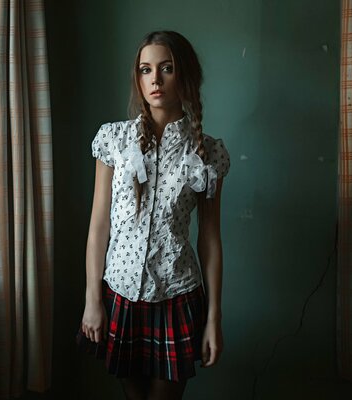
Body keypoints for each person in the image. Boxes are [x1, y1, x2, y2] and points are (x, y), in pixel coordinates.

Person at [77, 30, 231, 400]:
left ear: (186, 75)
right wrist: (92, 299)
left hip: (177, 297)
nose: (155, 80)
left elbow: (210, 238)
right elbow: (99, 225)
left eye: (167, 68)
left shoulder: (207, 153)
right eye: (146, 70)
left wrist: (214, 318)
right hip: (120, 296)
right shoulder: (114, 140)